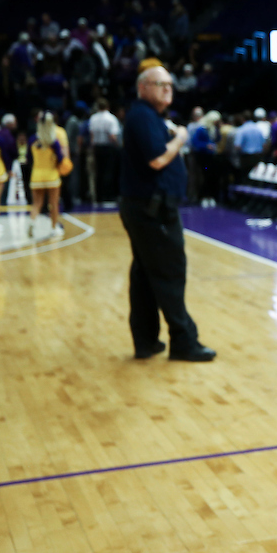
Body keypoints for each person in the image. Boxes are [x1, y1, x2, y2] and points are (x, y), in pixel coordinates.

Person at [119, 66, 216, 362]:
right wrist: (181, 137)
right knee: (170, 271)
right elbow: (158, 159)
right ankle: (183, 340)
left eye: (169, 85)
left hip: (147, 207)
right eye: (159, 84)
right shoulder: (142, 115)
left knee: (146, 274)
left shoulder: (149, 116)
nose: (167, 89)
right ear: (142, 88)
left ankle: (146, 340)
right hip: (153, 210)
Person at [27, 111, 66, 239]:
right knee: (53, 204)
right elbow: (60, 159)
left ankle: (32, 222)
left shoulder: (32, 140)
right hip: (51, 175)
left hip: (36, 175)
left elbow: (28, 159)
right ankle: (54, 228)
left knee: (37, 203)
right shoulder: (53, 142)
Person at [88, 97, 122, 203]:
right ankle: (108, 197)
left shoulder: (93, 118)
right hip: (108, 147)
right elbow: (113, 135)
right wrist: (119, 146)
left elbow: (92, 135)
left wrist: (92, 147)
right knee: (109, 172)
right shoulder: (111, 118)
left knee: (99, 172)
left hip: (97, 147)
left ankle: (98, 197)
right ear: (108, 107)